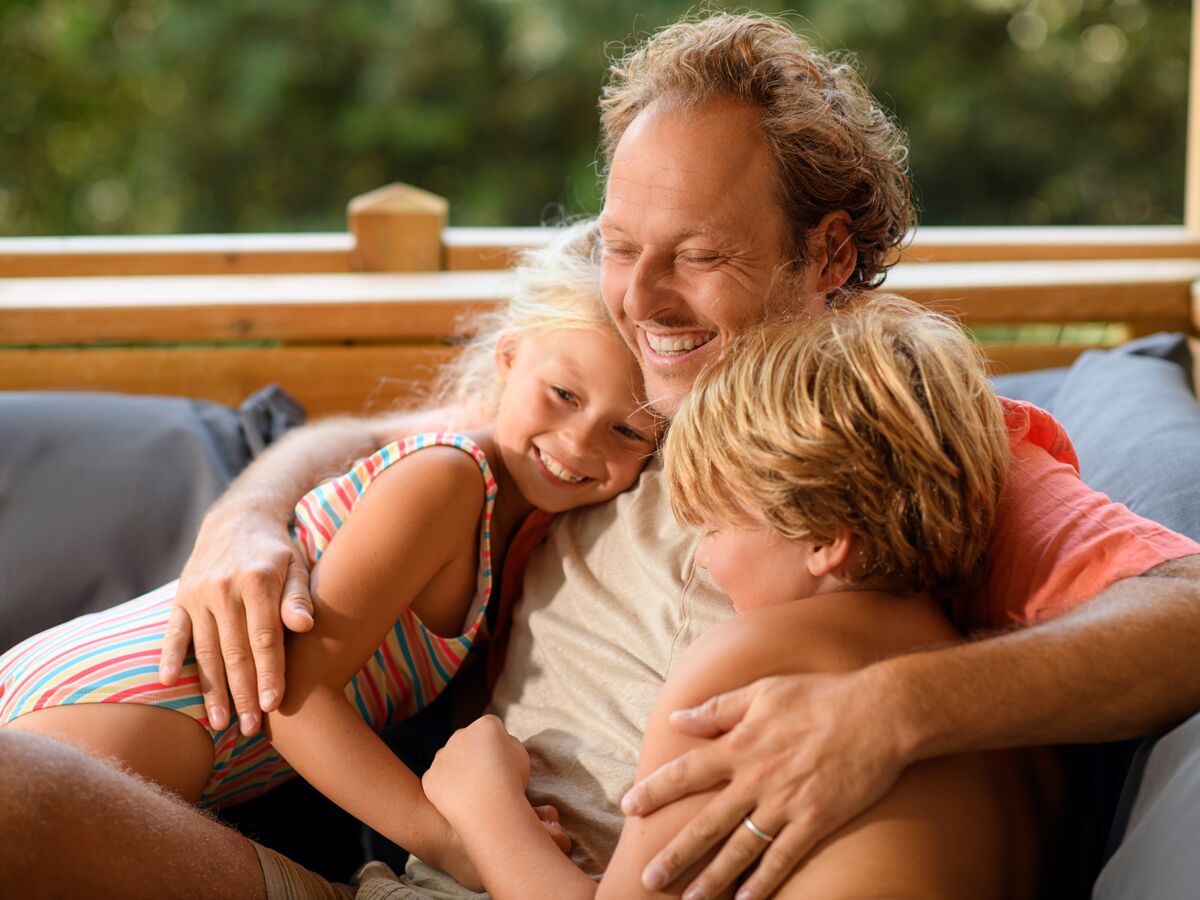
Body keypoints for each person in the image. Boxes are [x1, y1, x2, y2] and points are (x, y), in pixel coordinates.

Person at [3, 11, 1199, 900]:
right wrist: (245, 517)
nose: (641, 297)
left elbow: (1184, 609)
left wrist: (888, 712)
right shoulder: (597, 413)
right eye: (622, 245)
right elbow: (378, 441)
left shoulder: (895, 450)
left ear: (829, 256)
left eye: (700, 255)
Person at [0, 223, 657, 893]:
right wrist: (448, 838)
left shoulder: (514, 522)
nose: (581, 442)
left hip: (182, 729)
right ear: (509, 358)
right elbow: (295, 697)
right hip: (146, 698)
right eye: (564, 395)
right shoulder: (448, 480)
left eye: (628, 429)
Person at [423, 297, 1046, 899]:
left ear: (825, 539)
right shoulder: (1007, 719)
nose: (702, 558)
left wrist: (485, 806)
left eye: (714, 526)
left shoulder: (748, 659)